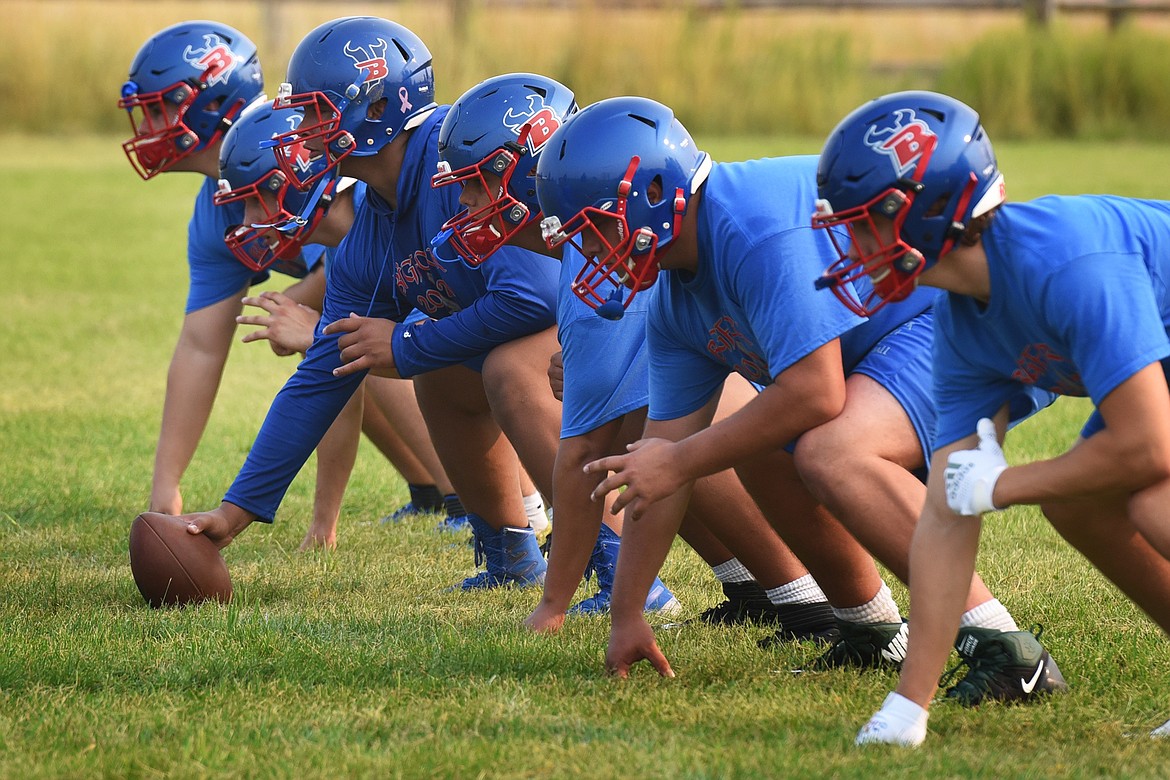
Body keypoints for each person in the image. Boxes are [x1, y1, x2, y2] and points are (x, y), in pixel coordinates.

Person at [535, 97, 1061, 692]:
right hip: (898, 338)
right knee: (751, 437)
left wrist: (680, 458)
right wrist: (626, 615)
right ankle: (869, 629)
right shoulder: (677, 300)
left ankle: (1008, 649)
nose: (590, 254)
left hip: (972, 317)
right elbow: (661, 464)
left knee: (831, 449)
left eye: (595, 229)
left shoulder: (751, 228)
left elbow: (814, 393)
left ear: (654, 193)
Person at [811, 90, 1170, 746]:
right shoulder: (959, 319)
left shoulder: (1069, 265)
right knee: (1083, 503)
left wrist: (1005, 485)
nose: (852, 245)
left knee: (1151, 503)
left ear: (922, 213)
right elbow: (948, 512)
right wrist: (908, 706)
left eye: (865, 223)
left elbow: (1149, 446)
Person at [430, 73, 836, 631]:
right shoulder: (598, 256)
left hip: (866, 372)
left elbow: (581, 455)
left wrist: (552, 604)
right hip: (816, 374)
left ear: (523, 176)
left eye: (476, 183)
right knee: (647, 422)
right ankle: (752, 583)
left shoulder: (611, 264)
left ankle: (804, 593)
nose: (465, 203)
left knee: (659, 420)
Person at [181, 16, 553, 589]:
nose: (299, 131)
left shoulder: (457, 170)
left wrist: (406, 343)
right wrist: (237, 511)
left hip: (615, 329)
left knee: (499, 365)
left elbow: (535, 297)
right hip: (568, 337)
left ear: (374, 110)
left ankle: (621, 567)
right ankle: (510, 554)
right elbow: (324, 370)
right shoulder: (372, 226)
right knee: (436, 372)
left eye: (313, 113)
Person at [117, 22, 453, 549]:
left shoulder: (357, 182)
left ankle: (480, 502)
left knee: (360, 338)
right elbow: (203, 345)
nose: (148, 126)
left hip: (483, 322)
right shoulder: (221, 209)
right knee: (341, 343)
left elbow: (511, 299)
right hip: (427, 313)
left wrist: (305, 312)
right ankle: (437, 489)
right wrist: (177, 492)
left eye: (161, 107)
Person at [213, 97, 466, 547]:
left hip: (548, 350)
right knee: (356, 348)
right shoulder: (356, 242)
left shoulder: (424, 191)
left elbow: (509, 310)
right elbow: (329, 375)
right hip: (503, 346)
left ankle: (480, 505)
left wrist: (317, 334)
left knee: (400, 349)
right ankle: (478, 514)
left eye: (257, 201)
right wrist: (254, 514)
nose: (249, 222)